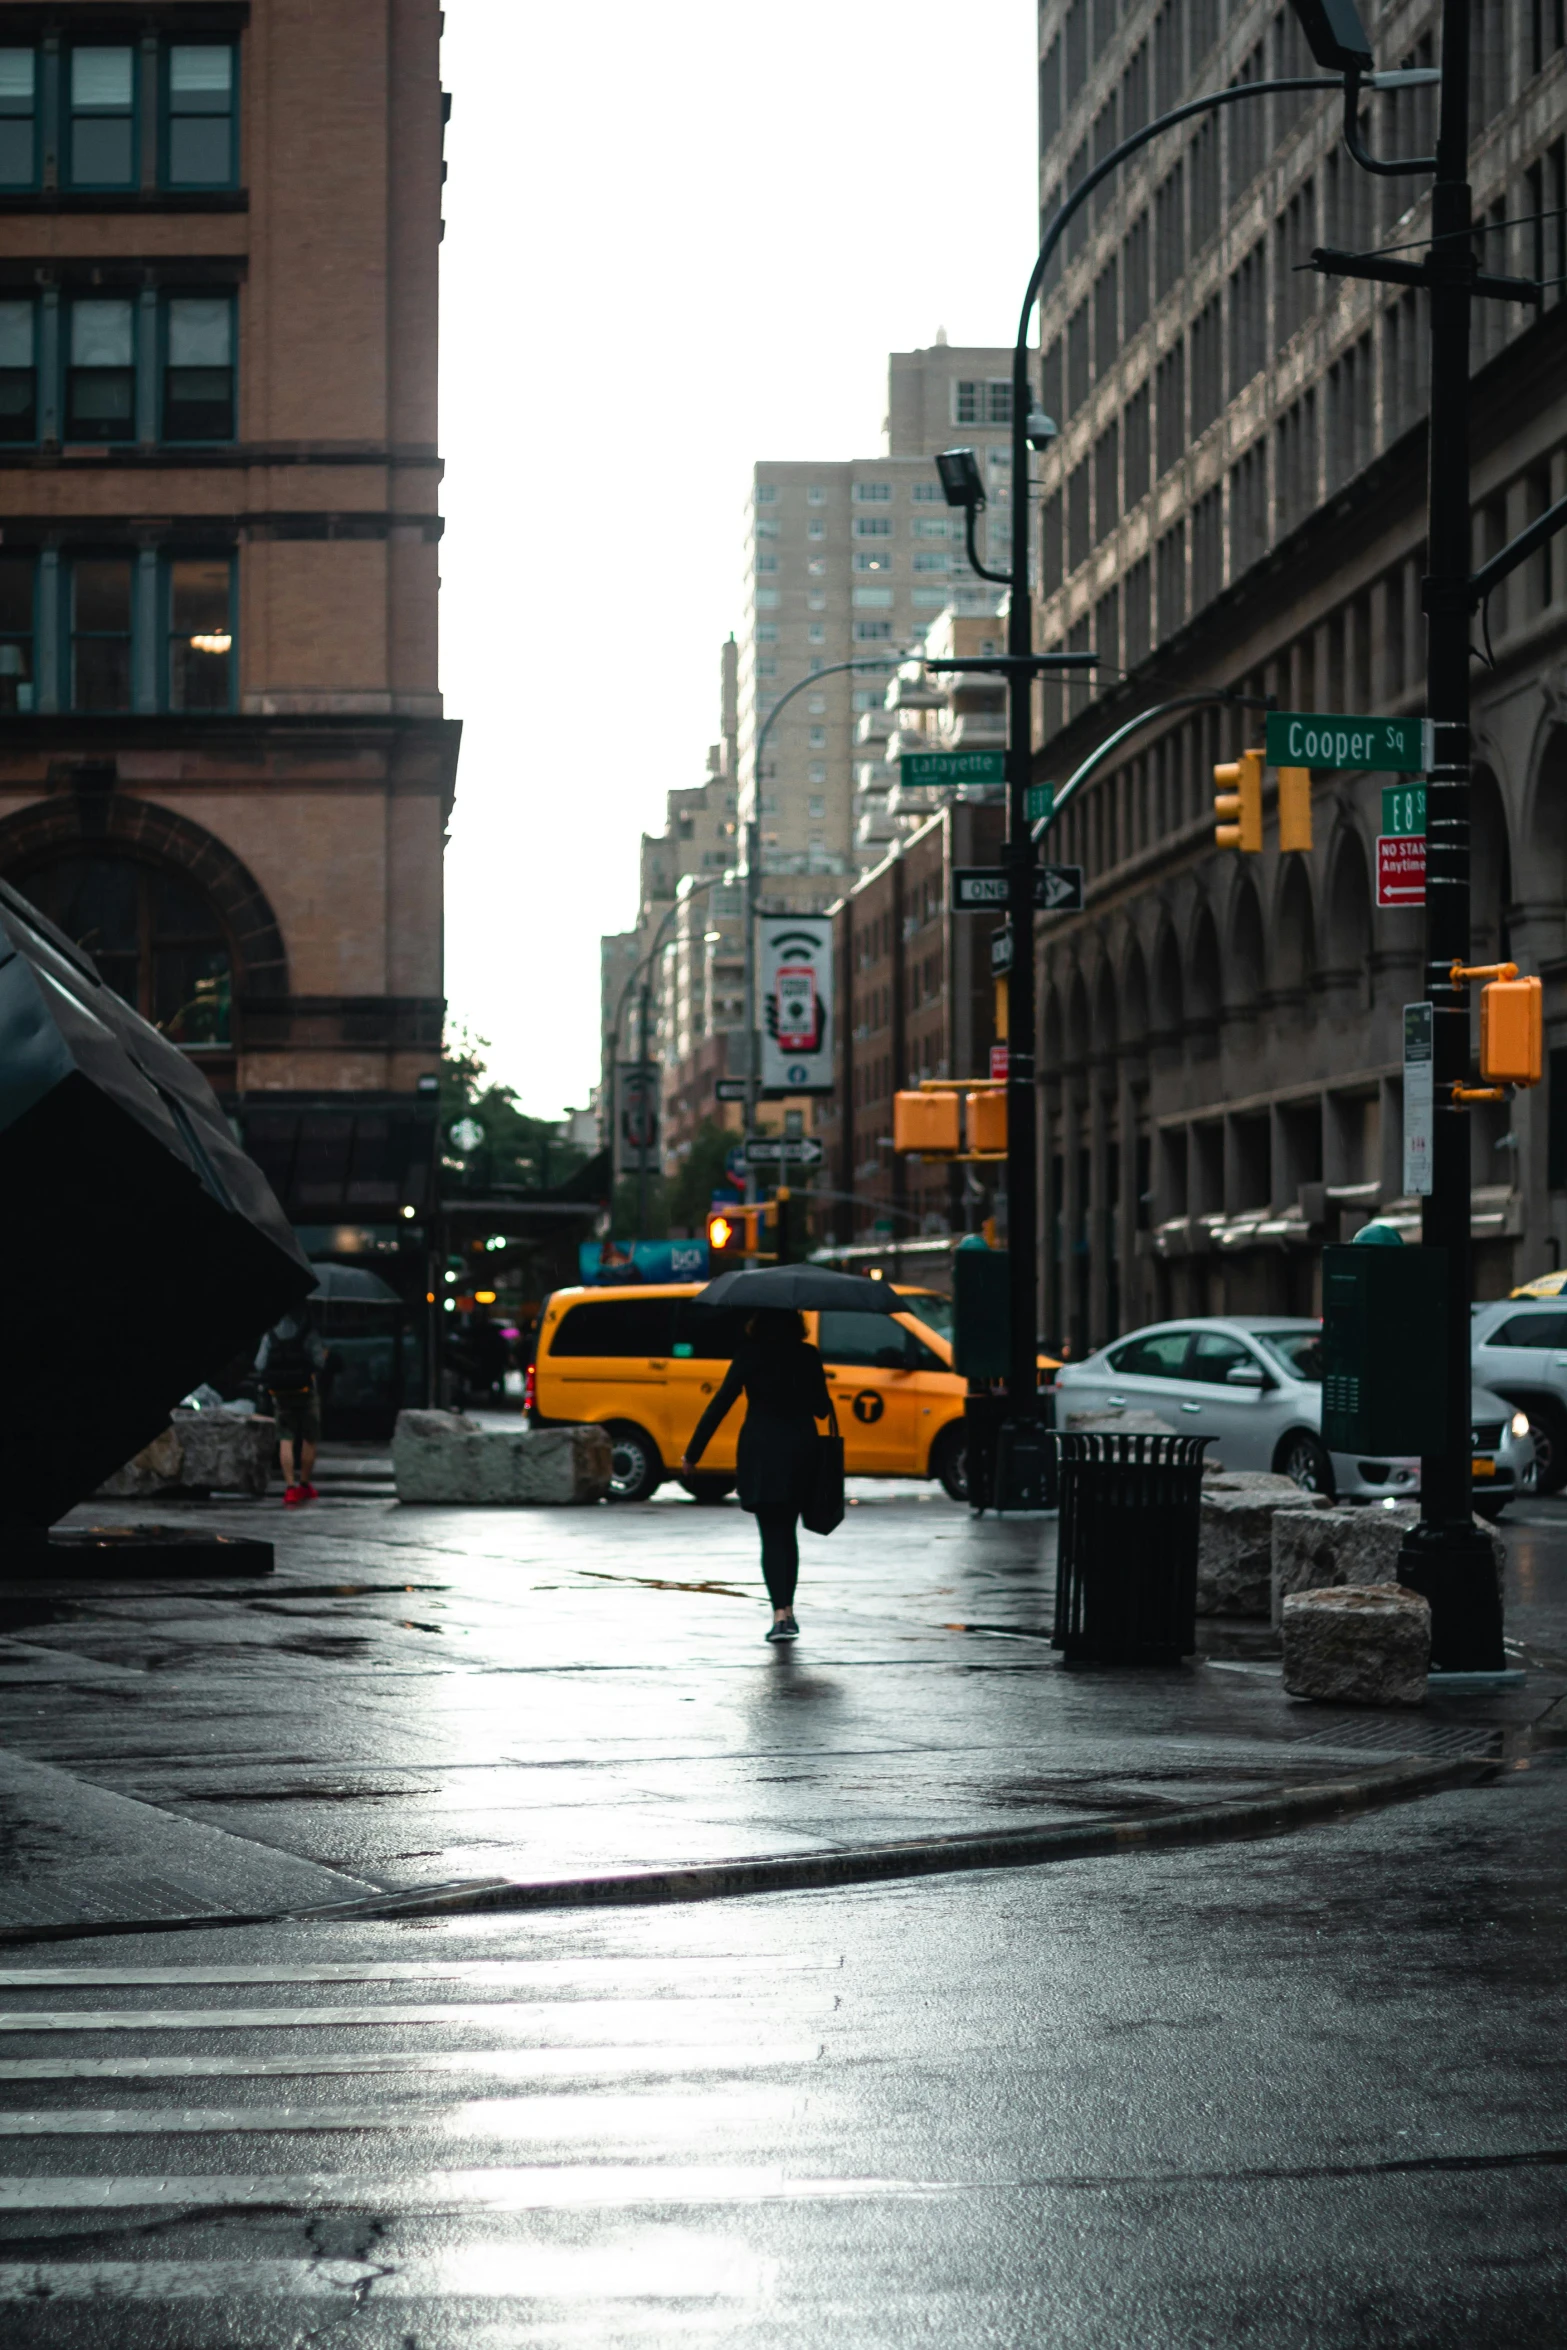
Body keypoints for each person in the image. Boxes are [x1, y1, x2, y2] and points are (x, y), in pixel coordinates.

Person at [679, 1307, 831, 1643]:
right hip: (799, 1450)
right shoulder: (807, 1355)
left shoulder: (750, 1355)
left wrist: (693, 1453)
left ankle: (779, 1614)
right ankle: (788, 1612)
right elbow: (822, 1408)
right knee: (787, 1532)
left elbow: (721, 1403)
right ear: (797, 1325)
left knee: (771, 1532)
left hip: (761, 1451)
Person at [254, 1308, 328, 1506]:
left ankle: (289, 1488)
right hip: (306, 1392)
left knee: (286, 1438)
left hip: (280, 1394)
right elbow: (319, 1362)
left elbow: (260, 1364)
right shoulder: (308, 1330)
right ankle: (304, 1484)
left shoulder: (271, 1332)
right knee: (309, 1437)